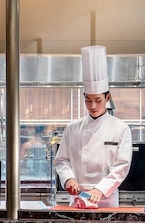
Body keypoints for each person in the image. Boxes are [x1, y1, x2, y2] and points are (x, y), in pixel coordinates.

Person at [53, 46, 133, 208]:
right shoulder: (72, 129)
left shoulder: (121, 128)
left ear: (107, 97)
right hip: (78, 197)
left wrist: (99, 190)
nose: (93, 106)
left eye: (98, 100)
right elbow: (61, 160)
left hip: (106, 198)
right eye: (88, 100)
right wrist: (69, 178)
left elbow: (122, 165)